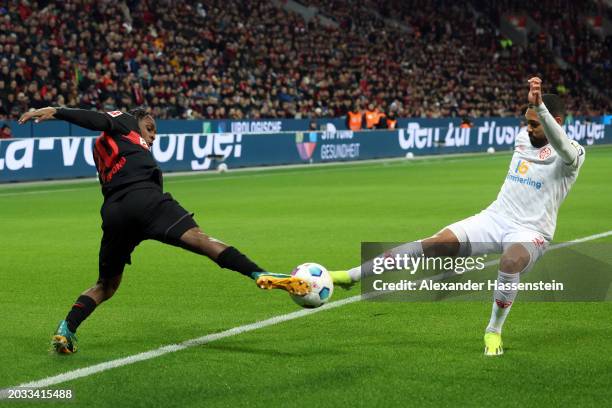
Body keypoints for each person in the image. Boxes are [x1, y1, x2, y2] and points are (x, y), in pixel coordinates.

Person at [18, 106, 309, 354]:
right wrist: (57, 112)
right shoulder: (124, 121)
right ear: (137, 120)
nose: (153, 135)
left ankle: (66, 328)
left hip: (114, 213)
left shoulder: (103, 150)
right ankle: (259, 273)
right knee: (201, 240)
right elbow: (99, 120)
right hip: (144, 199)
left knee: (106, 286)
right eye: (150, 128)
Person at [330, 77, 586, 356]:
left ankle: (493, 331)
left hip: (531, 231)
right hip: (495, 217)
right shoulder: (524, 138)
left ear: (555, 120)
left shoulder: (573, 154)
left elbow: (561, 147)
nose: (528, 127)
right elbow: (538, 132)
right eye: (527, 121)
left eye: (535, 123)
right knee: (435, 243)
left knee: (510, 261)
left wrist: (542, 111)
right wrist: (537, 112)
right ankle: (351, 275)